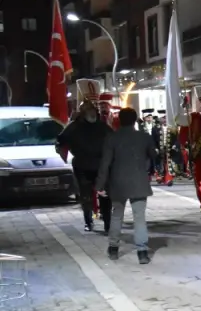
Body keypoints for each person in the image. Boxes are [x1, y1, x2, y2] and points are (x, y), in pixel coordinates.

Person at [95, 108, 157, 264]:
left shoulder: (112, 138)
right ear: (135, 120)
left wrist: (100, 185)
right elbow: (154, 155)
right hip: (139, 181)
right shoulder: (144, 137)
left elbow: (105, 163)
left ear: (119, 120)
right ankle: (142, 252)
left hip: (118, 183)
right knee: (139, 218)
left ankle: (113, 248)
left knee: (117, 215)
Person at [57, 100, 114, 234]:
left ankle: (108, 223)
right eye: (88, 110)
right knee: (86, 196)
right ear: (82, 113)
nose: (91, 113)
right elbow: (61, 140)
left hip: (101, 166)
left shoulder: (102, 126)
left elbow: (114, 140)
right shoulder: (74, 127)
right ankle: (88, 221)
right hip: (82, 166)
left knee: (105, 196)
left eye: (92, 110)